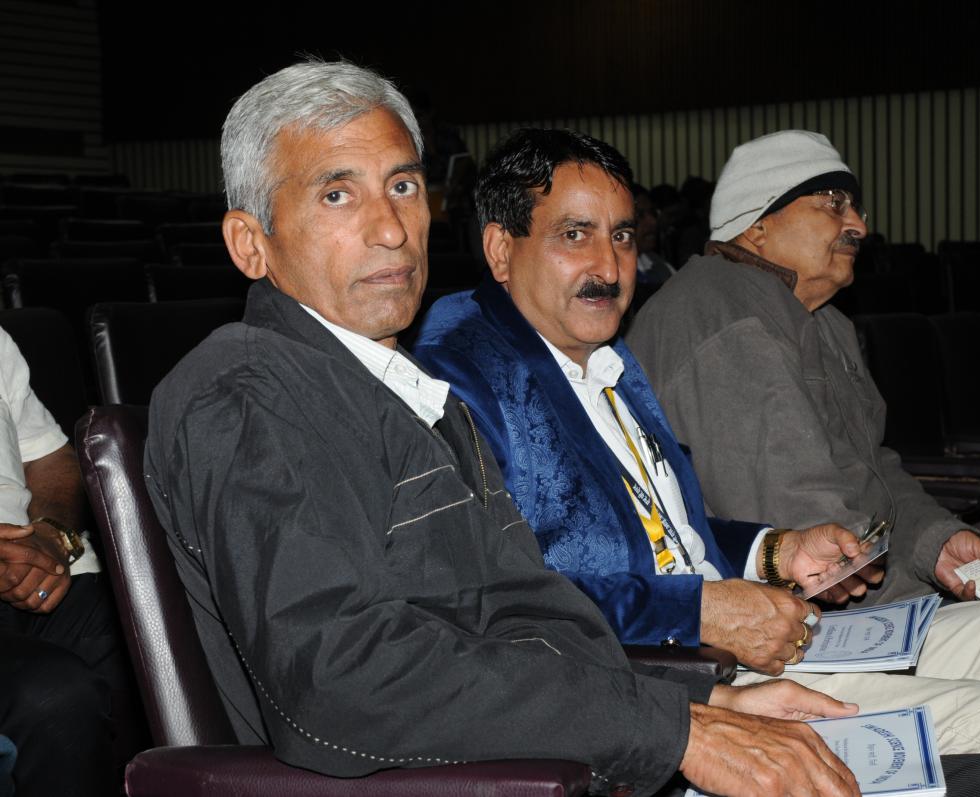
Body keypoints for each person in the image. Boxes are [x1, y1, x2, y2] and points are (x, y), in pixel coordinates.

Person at [145, 58, 895, 797]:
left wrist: (698, 704)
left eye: (403, 186)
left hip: (566, 745)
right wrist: (675, 731)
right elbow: (340, 677)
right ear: (250, 242)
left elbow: (516, 614)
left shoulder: (406, 393)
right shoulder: (252, 394)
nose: (391, 230)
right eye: (337, 194)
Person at [412, 128, 980, 791]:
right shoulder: (467, 382)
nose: (609, 267)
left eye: (623, 236)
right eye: (574, 235)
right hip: (662, 677)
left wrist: (774, 551)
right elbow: (500, 602)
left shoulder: (604, 361)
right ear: (501, 248)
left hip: (732, 637)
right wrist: (700, 610)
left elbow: (675, 533)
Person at [625, 129, 980, 797]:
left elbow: (877, 465)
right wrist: (923, 591)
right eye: (833, 204)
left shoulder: (821, 321)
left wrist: (938, 542)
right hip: (770, 636)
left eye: (856, 207)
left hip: (842, 603)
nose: (859, 225)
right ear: (757, 224)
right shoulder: (727, 323)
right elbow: (813, 537)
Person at [0, 327, 125, 796]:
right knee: (53, 695)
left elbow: (51, 459)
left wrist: (52, 534)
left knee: (174, 641)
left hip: (46, 573)